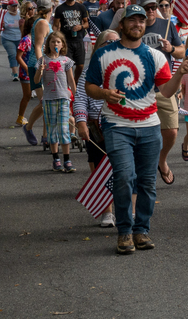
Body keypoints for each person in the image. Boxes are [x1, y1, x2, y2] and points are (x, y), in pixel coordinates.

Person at [85, 4, 181, 254]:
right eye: (132, 20)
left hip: (150, 126)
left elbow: (166, 91)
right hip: (117, 125)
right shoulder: (103, 54)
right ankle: (125, 232)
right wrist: (105, 93)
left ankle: (141, 230)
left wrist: (180, 74)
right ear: (122, 24)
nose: (137, 24)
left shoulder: (155, 56)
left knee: (147, 182)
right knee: (125, 177)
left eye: (141, 20)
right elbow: (89, 86)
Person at [136, 0, 186, 186]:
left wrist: (171, 49)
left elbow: (181, 52)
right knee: (140, 132)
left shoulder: (167, 25)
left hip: (164, 86)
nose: (151, 11)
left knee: (172, 131)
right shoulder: (134, 28)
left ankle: (161, 159)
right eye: (147, 8)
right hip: (139, 89)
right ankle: (141, 168)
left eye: (153, 7)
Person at [75, 29, 120, 227]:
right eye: (107, 42)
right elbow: (80, 99)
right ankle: (107, 212)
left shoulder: (127, 67)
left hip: (122, 126)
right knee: (99, 170)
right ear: (98, 46)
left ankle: (129, 211)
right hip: (96, 128)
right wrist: (81, 123)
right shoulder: (89, 71)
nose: (112, 46)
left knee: (126, 170)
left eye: (116, 42)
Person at [35, 31, 77, 172]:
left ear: (62, 44)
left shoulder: (66, 60)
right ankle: (56, 159)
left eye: (58, 42)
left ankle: (67, 160)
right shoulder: (43, 60)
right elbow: (36, 80)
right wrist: (40, 70)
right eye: (53, 42)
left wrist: (76, 96)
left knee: (64, 129)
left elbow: (71, 80)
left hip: (64, 98)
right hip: (48, 99)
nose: (55, 44)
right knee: (52, 129)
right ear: (48, 44)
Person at [21, 0, 54, 147]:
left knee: (47, 102)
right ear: (51, 9)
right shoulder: (42, 23)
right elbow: (38, 46)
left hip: (43, 63)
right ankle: (29, 128)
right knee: (45, 102)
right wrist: (42, 65)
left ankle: (45, 136)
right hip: (37, 65)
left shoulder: (42, 22)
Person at [54, 0, 90, 76]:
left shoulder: (81, 7)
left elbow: (87, 23)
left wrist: (81, 27)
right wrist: (56, 39)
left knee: (80, 66)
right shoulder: (60, 9)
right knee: (68, 66)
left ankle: (75, 82)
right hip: (66, 41)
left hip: (79, 40)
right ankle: (69, 83)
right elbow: (55, 25)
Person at [1, 0, 22, 82]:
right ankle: (16, 74)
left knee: (19, 56)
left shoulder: (20, 14)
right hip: (7, 38)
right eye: (13, 6)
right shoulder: (4, 15)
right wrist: (2, 25)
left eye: (16, 6)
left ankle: (14, 70)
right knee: (12, 55)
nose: (15, 8)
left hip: (19, 38)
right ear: (8, 7)